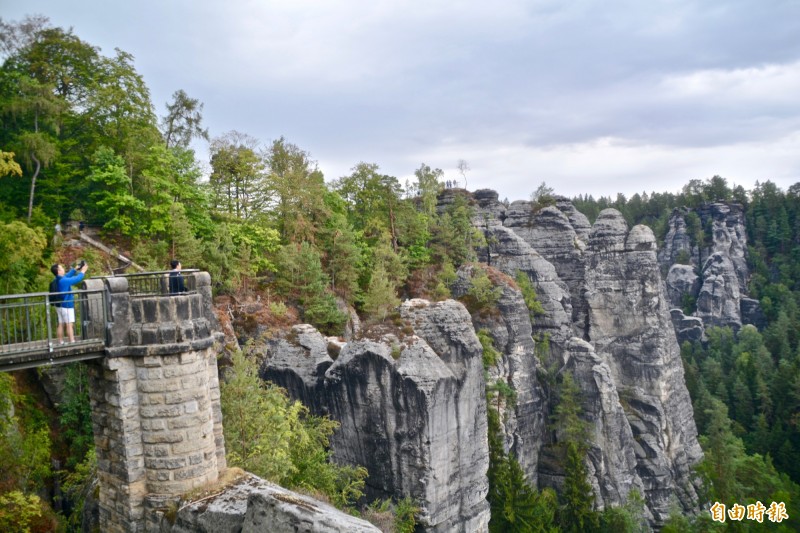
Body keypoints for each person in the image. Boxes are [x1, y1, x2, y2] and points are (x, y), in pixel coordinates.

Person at [50, 261, 89, 344]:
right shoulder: (63, 281)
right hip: (66, 305)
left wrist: (75, 269)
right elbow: (76, 279)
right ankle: (72, 342)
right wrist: (83, 271)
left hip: (59, 305)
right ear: (58, 271)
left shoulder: (57, 279)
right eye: (61, 268)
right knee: (69, 324)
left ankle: (60, 342)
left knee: (61, 323)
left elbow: (67, 276)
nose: (63, 268)